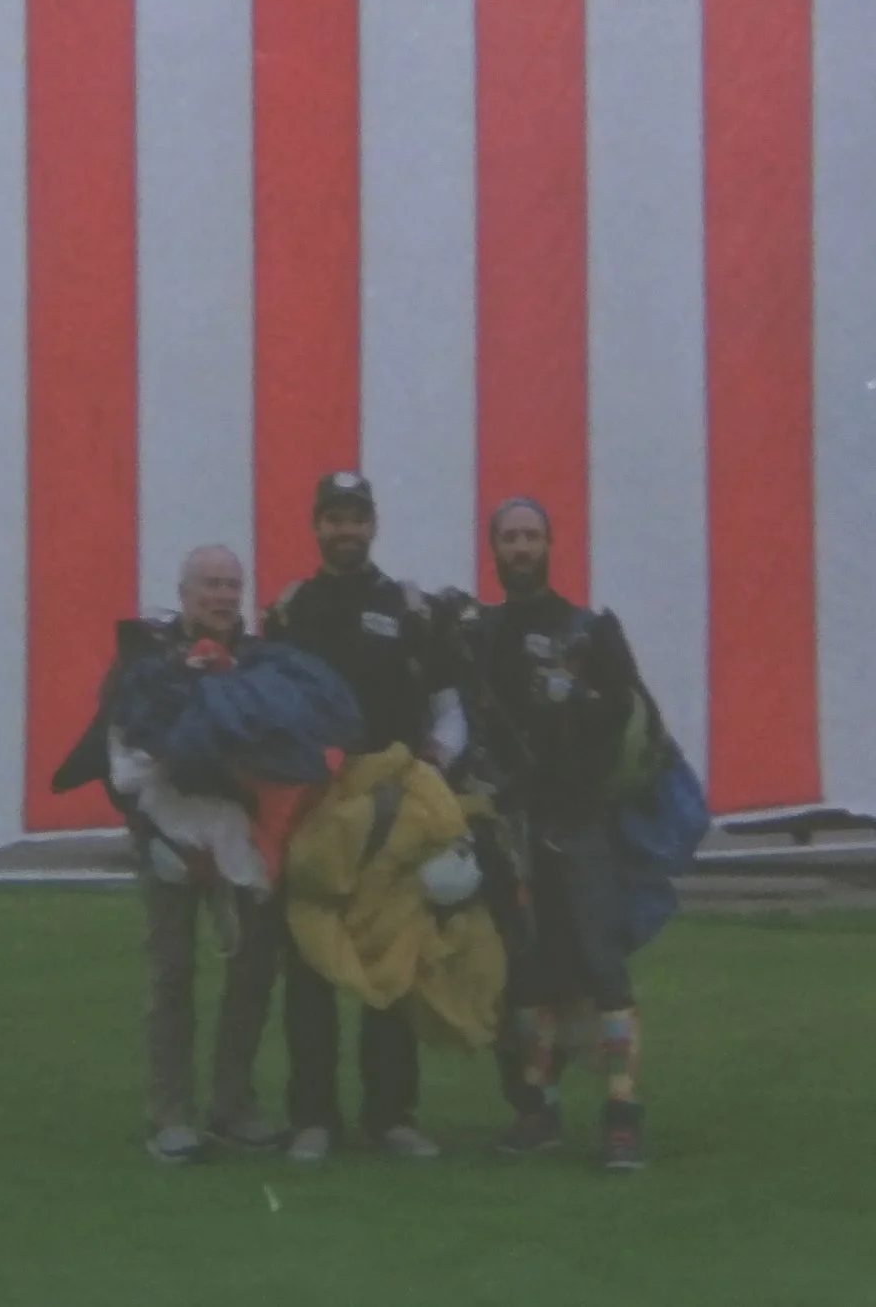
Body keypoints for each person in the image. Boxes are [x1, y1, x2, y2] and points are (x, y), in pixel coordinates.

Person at [50, 544, 286, 1165]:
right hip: (166, 834)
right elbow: (118, 755)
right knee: (173, 970)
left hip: (242, 836)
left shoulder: (259, 662)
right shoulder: (144, 664)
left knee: (253, 972)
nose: (221, 594)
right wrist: (157, 841)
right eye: (209, 583)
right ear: (184, 593)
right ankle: (170, 1114)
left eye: (231, 584)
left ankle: (234, 1105)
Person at [260, 471, 471, 1165]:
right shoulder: (290, 609)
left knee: (392, 962)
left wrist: (431, 771)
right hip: (315, 810)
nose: (346, 529)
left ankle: (391, 1117)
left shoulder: (409, 606)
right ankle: (313, 1118)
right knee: (311, 968)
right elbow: (262, 708)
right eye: (334, 518)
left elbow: (449, 705)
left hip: (392, 811)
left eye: (357, 517)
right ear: (316, 526)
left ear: (374, 525)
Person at [458, 497, 665, 1173]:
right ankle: (539, 1107)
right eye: (509, 537)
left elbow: (637, 720)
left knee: (603, 966)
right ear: (493, 549)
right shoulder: (479, 633)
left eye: (531, 535)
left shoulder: (591, 629)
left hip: (580, 822)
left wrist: (580, 701)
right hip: (511, 826)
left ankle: (623, 1115)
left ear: (550, 544)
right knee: (533, 976)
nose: (521, 547)